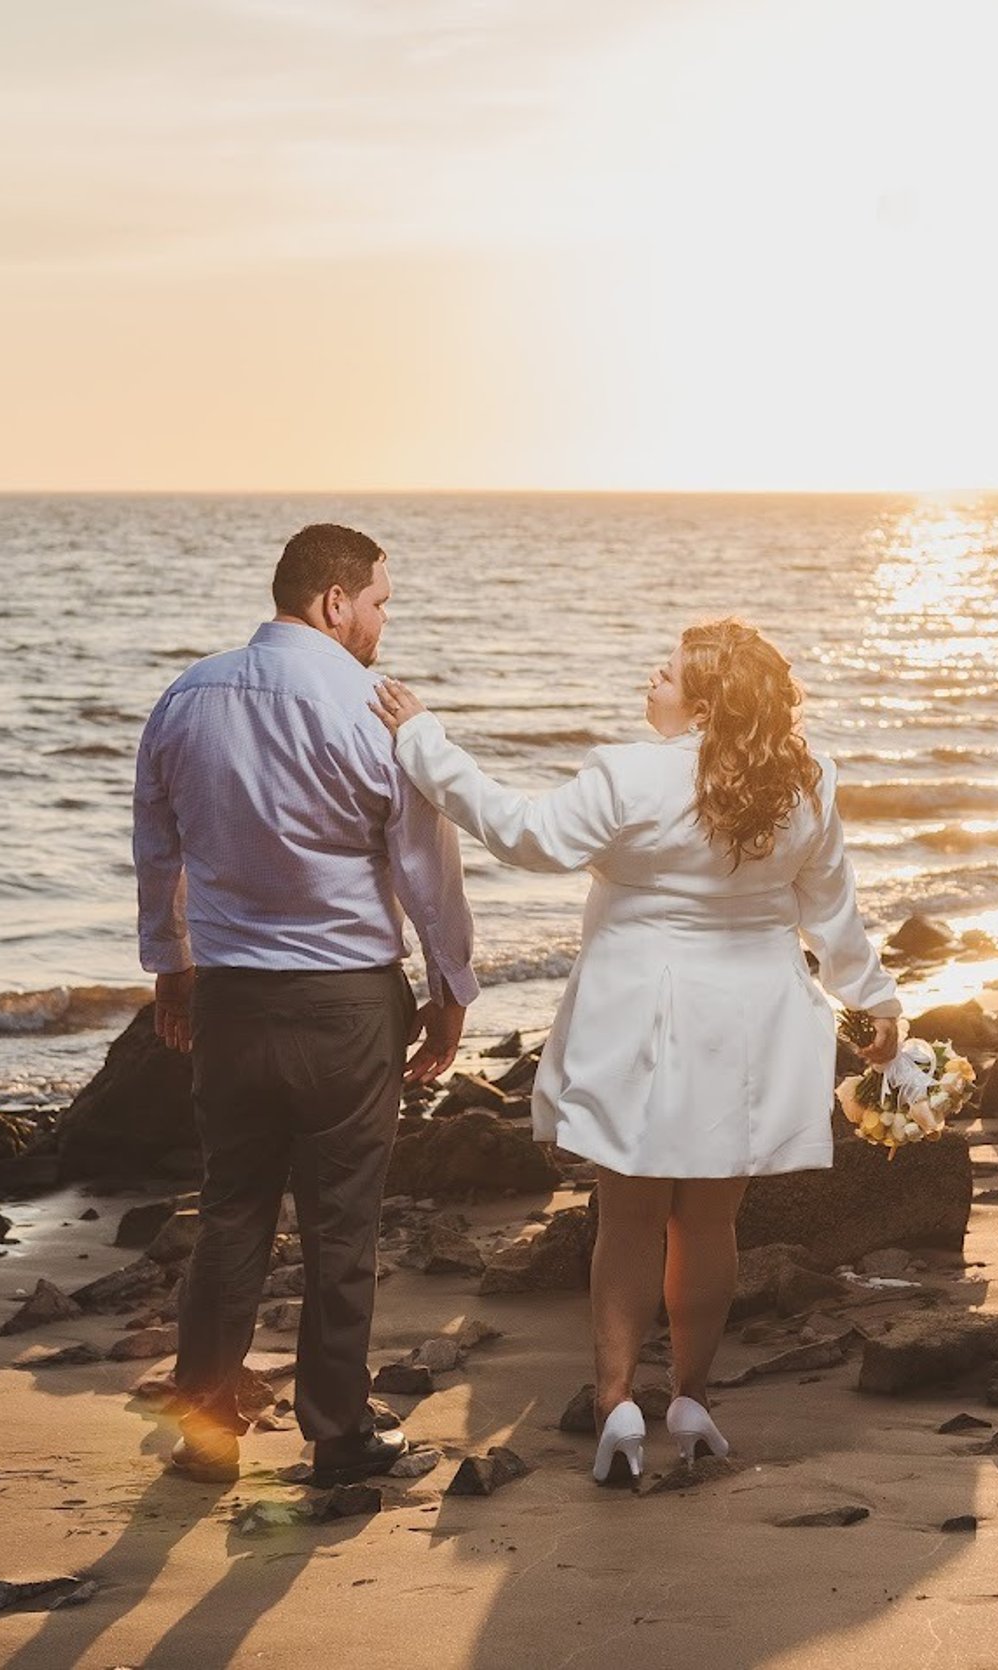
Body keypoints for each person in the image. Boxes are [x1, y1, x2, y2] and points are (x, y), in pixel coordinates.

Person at [370, 617, 901, 1486]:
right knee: (710, 1222)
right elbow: (832, 910)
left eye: (671, 669)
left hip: (642, 1020)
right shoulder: (805, 781)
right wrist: (875, 999)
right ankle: (690, 1399)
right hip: (751, 1021)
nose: (653, 675)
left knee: (627, 1219)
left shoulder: (626, 773)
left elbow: (521, 833)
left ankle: (617, 1401)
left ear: (704, 699)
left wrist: (424, 738)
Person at [133, 522, 479, 1488]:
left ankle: (206, 1429)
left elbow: (157, 847)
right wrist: (451, 993)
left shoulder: (186, 696)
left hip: (234, 1004)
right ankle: (337, 1432)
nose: (380, 625)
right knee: (341, 1225)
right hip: (347, 1007)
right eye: (378, 605)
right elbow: (428, 873)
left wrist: (174, 968)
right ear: (334, 602)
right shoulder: (377, 714)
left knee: (233, 1211)